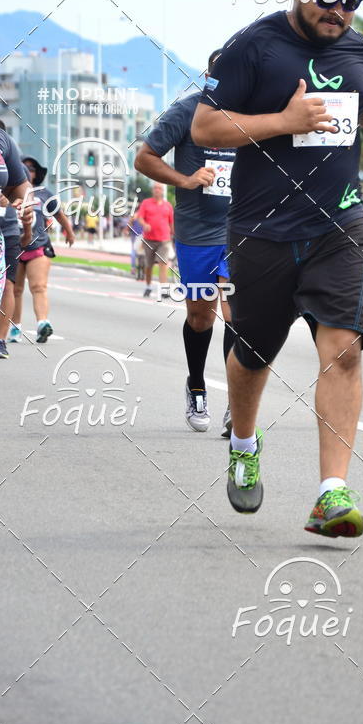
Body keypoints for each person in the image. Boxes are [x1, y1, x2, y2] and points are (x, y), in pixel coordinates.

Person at [191, 0, 363, 537]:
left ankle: (331, 494)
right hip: (260, 230)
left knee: (344, 349)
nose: (339, 10)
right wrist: (283, 122)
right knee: (252, 354)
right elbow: (204, 125)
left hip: (337, 225)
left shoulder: (362, 52)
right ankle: (243, 441)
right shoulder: (252, 47)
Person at [134, 48, 236, 436]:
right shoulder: (187, 111)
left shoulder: (251, 116)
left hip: (241, 231)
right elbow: (145, 158)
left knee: (238, 319)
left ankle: (236, 405)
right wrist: (186, 180)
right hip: (197, 233)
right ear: (211, 75)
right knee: (200, 316)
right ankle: (196, 385)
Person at [11, 156, 75, 344]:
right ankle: (15, 328)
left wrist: (69, 232)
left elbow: (59, 214)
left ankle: (42, 324)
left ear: (36, 173)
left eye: (31, 168)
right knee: (15, 290)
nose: (28, 171)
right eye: (24, 167)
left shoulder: (43, 193)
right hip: (14, 248)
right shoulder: (7, 193)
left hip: (38, 247)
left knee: (38, 286)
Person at [0, 123, 33, 359]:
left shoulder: (3, 140)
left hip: (4, 227)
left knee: (7, 283)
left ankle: (0, 339)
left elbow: (20, 184)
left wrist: (26, 201)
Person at [133, 183, 174, 297]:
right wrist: (144, 224)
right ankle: (148, 286)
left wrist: (174, 236)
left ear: (162, 191)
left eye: (159, 188)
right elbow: (140, 217)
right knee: (148, 265)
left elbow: (171, 222)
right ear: (152, 190)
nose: (157, 190)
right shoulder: (146, 203)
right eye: (155, 188)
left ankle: (164, 289)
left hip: (164, 240)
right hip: (149, 239)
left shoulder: (168, 206)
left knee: (163, 263)